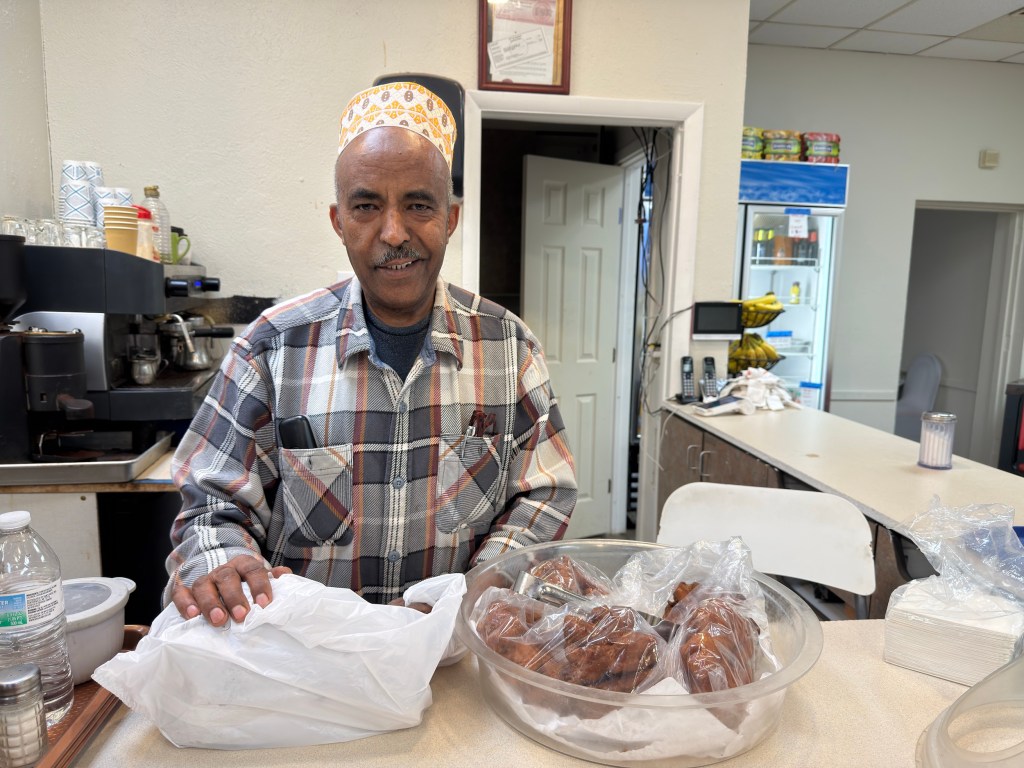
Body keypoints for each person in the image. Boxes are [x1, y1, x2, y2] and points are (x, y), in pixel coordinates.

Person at [165, 82, 577, 626]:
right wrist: (223, 558)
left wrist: (485, 584)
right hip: (310, 664)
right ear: (339, 221)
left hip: (450, 657)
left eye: (418, 205)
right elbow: (209, 504)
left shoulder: (508, 348)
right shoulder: (271, 348)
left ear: (450, 218)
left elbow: (546, 492)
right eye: (367, 206)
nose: (394, 232)